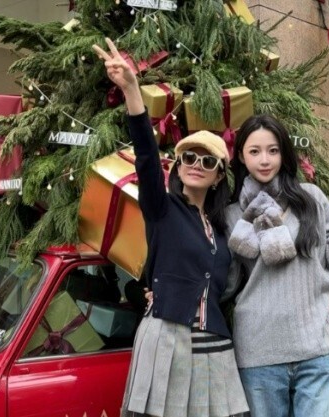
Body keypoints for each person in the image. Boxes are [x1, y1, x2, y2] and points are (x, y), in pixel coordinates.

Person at [93, 38, 249, 417]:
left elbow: (226, 284)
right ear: (178, 166)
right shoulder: (161, 208)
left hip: (214, 342)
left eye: (207, 162)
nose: (196, 164)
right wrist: (132, 89)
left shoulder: (222, 226)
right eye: (188, 157)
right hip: (166, 335)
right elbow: (147, 156)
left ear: (218, 176)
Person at [226, 114, 329, 417]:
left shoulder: (311, 199)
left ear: (284, 153)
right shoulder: (231, 215)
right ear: (241, 156)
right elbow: (226, 283)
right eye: (254, 151)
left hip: (315, 347)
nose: (264, 159)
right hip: (258, 351)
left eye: (273, 150)